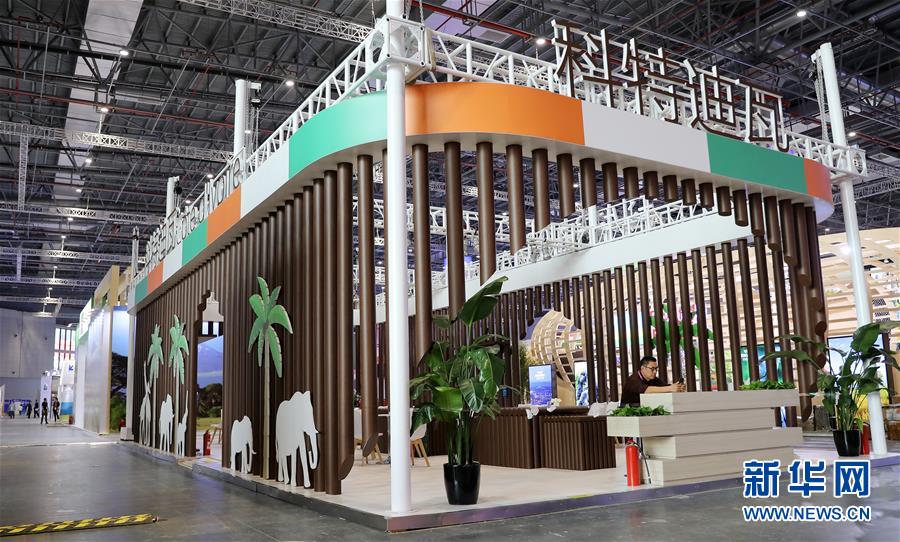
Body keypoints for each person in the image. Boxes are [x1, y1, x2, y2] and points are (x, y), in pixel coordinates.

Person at [620, 355, 685, 406]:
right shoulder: (633, 380)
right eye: (652, 369)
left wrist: (677, 387)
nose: (655, 372)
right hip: (629, 413)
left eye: (656, 369)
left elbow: (664, 387)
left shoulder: (653, 379)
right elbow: (646, 390)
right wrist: (670, 388)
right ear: (643, 368)